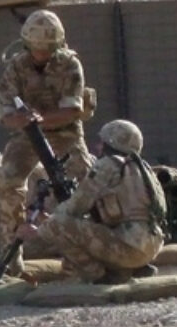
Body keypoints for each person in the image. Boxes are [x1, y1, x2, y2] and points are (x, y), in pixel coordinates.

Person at [0, 10, 94, 267]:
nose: (41, 54)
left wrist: (40, 119)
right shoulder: (16, 66)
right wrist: (24, 122)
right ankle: (11, 252)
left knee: (82, 187)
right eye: (37, 49)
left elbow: (72, 110)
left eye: (47, 49)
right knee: (8, 183)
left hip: (65, 134)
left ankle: (83, 251)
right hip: (26, 136)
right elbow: (5, 114)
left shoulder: (70, 65)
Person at [24, 119, 167, 284]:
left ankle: (99, 276)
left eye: (102, 142)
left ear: (110, 143)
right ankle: (128, 269)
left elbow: (75, 207)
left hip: (128, 248)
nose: (98, 146)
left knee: (56, 225)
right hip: (151, 247)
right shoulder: (144, 169)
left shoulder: (108, 165)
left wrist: (42, 228)